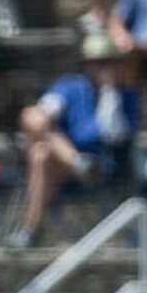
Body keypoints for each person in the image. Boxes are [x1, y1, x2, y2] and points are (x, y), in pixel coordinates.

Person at [11, 32, 139, 247]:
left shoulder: (125, 97)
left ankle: (30, 230)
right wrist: (40, 118)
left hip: (104, 166)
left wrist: (109, 92)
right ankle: (76, 163)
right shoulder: (71, 87)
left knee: (41, 151)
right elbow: (45, 111)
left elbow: (112, 134)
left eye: (108, 63)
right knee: (36, 136)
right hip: (69, 166)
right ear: (86, 64)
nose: (102, 68)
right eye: (97, 63)